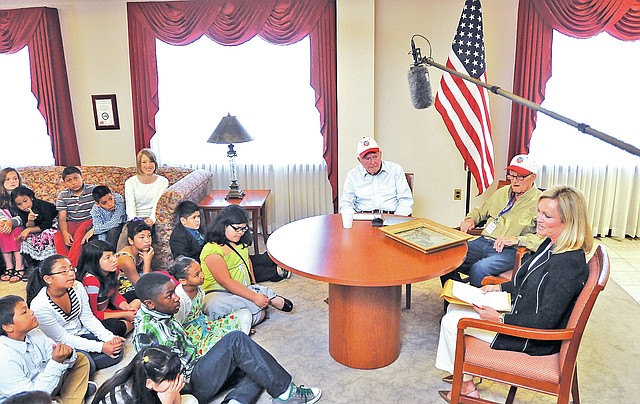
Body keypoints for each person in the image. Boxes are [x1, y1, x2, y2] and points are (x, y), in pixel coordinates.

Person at [435, 186, 593, 402]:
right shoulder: (551, 243)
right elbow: (527, 282)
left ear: (569, 221)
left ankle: (466, 386)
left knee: (453, 322)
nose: (539, 219)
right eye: (539, 212)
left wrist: (499, 318)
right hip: (521, 307)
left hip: (531, 336)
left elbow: (545, 321)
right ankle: (462, 371)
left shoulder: (567, 265)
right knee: (454, 307)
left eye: (547, 215)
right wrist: (498, 288)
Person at [133, 272, 322, 404]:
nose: (177, 298)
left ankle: (236, 401)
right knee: (237, 341)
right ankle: (287, 393)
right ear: (150, 303)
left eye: (174, 292)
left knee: (256, 364)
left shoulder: (160, 313)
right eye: (169, 296)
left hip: (194, 369)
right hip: (187, 385)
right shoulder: (146, 331)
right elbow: (161, 378)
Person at [441, 154, 543, 288]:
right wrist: (470, 219)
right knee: (445, 257)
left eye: (520, 176)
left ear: (533, 177)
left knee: (479, 269)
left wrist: (518, 240)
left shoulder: (541, 202)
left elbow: (545, 239)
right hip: (483, 241)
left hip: (510, 250)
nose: (514, 181)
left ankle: (475, 305)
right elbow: (480, 211)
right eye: (511, 175)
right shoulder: (502, 192)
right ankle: (456, 299)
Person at [26, 254, 126, 376]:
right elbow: (62, 338)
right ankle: (77, 371)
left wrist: (109, 338)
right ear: (48, 279)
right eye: (64, 271)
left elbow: (88, 318)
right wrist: (101, 347)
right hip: (61, 346)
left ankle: (80, 370)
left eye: (71, 269)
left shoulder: (77, 286)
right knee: (88, 362)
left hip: (81, 334)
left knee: (116, 350)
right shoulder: (40, 305)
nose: (71, 274)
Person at [200, 205, 293, 326]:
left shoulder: (239, 243)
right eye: (237, 229)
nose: (240, 233)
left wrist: (254, 286)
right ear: (223, 225)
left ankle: (249, 312)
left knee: (250, 310)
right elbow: (225, 282)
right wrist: (254, 297)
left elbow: (247, 262)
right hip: (220, 293)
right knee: (214, 305)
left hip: (243, 289)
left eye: (243, 229)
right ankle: (266, 297)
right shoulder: (211, 250)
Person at [0, 295, 92, 403]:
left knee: (81, 359)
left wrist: (66, 354)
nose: (31, 312)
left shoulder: (35, 333)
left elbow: (59, 359)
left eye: (28, 308)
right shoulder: (5, 358)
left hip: (46, 384)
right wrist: (56, 362)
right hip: (30, 400)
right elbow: (31, 399)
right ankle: (72, 395)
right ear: (8, 327)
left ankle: (66, 398)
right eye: (24, 312)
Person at [169, 256, 251, 354]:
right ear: (183, 281)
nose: (202, 275)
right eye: (197, 275)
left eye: (201, 271)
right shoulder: (181, 299)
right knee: (218, 347)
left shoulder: (199, 289)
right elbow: (177, 325)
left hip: (206, 325)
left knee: (244, 314)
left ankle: (240, 337)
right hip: (194, 337)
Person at [91, 345, 198, 404]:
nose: (177, 380)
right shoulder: (128, 399)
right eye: (170, 379)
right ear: (149, 383)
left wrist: (174, 393)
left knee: (191, 400)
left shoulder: (144, 377)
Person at [78, 240, 141, 337]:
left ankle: (132, 319)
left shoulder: (114, 269)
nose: (114, 260)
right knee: (114, 328)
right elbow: (93, 314)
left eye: (113, 255)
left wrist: (126, 307)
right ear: (94, 262)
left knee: (138, 295)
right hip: (98, 316)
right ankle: (136, 321)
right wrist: (124, 314)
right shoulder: (91, 281)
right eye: (107, 258)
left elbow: (114, 295)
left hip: (108, 308)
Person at [339, 136, 413, 216]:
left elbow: (405, 201)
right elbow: (346, 204)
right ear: (359, 160)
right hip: (362, 219)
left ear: (380, 154)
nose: (373, 162)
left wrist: (396, 219)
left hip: (391, 217)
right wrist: (352, 220)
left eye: (375, 157)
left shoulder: (395, 170)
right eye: (368, 158)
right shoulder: (352, 175)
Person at [53, 166, 96, 266]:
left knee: (79, 235)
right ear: (65, 183)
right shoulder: (63, 195)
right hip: (73, 221)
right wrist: (64, 233)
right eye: (69, 180)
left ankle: (72, 266)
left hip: (88, 220)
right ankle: (63, 264)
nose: (73, 182)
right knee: (58, 236)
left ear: (82, 177)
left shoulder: (93, 190)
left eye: (76, 178)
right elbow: (62, 218)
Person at [11, 186, 58, 276]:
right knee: (27, 239)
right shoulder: (22, 211)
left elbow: (47, 225)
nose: (24, 206)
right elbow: (28, 225)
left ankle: (45, 266)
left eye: (25, 201)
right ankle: (33, 266)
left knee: (46, 235)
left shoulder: (42, 206)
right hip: (37, 228)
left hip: (53, 224)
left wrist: (29, 229)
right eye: (19, 204)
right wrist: (30, 220)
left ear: (31, 198)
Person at [124, 148, 168, 228]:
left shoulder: (163, 182)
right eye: (144, 162)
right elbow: (130, 206)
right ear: (139, 164)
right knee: (127, 235)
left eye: (151, 161)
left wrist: (152, 219)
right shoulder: (130, 182)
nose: (148, 165)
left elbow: (158, 204)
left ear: (155, 163)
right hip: (134, 219)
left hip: (153, 218)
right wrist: (136, 220)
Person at [116, 219, 156, 302]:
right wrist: (147, 262)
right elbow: (142, 287)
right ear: (131, 240)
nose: (147, 240)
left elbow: (150, 275)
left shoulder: (143, 251)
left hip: (138, 284)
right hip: (122, 292)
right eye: (141, 237)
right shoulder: (126, 259)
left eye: (149, 236)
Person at [0, 167, 25, 283]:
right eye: (7, 179)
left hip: (23, 223)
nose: (12, 182)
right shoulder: (1, 197)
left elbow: (26, 213)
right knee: (2, 231)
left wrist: (12, 222)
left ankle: (19, 267)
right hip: (6, 224)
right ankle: (9, 266)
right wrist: (4, 223)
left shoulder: (24, 192)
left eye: (15, 178)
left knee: (16, 231)